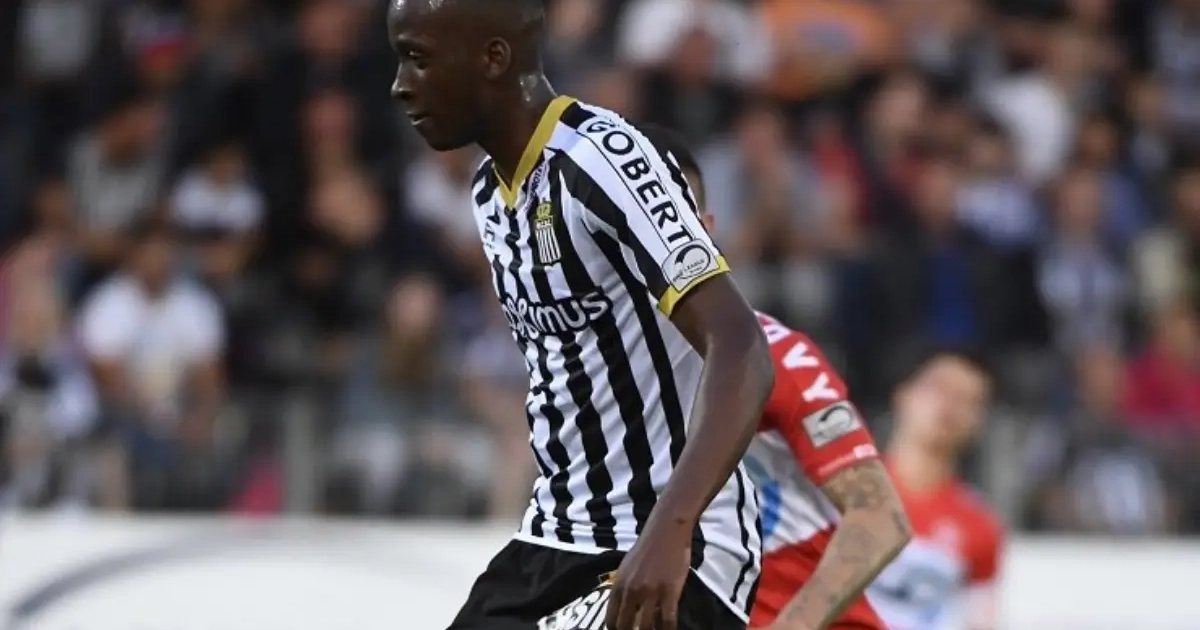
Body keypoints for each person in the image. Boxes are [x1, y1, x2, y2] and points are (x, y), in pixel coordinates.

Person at [386, 2, 777, 630]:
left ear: (493, 58)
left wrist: (672, 527)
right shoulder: (489, 192)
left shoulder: (601, 159)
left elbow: (741, 347)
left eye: (418, 58)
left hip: (678, 542)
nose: (400, 85)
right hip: (558, 536)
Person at [638, 123, 912, 630]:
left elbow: (879, 519)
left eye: (668, 223)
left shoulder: (771, 353)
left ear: (705, 230)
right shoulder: (586, 372)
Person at [865, 350, 1005, 630]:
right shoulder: (841, 489)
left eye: (966, 400)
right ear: (903, 395)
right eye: (939, 388)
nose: (948, 407)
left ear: (978, 422)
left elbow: (980, 620)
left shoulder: (979, 524)